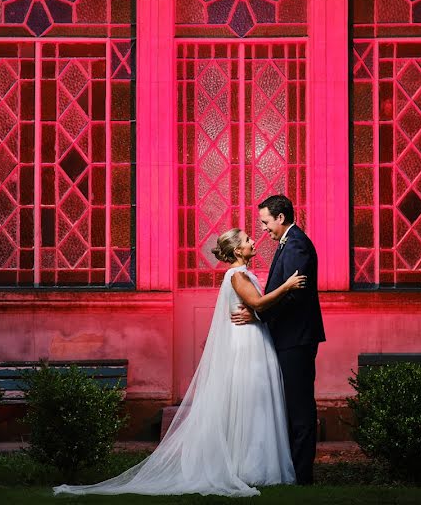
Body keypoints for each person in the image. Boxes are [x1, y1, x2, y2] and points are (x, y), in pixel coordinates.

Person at [53, 228, 305, 497]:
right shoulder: (237, 275)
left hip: (254, 338)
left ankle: (259, 466)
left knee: (256, 403)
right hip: (245, 344)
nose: (253, 241)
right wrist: (287, 286)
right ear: (236, 251)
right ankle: (249, 467)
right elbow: (258, 303)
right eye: (246, 240)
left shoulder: (244, 273)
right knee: (249, 402)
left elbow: (254, 309)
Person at [231, 194, 325, 485]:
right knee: (290, 405)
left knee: (299, 407)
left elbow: (294, 296)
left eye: (265, 222)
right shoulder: (290, 243)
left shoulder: (297, 246)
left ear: (280, 218)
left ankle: (302, 475)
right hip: (289, 338)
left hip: (296, 339)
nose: (263, 229)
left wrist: (258, 316)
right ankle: (292, 470)